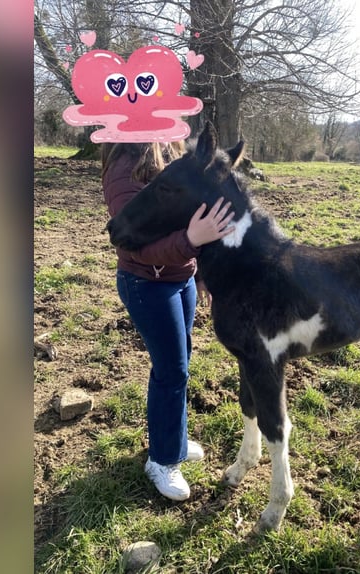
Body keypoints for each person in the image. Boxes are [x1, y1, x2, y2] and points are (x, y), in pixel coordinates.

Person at [100, 141, 234, 501]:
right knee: (171, 369)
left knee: (178, 364)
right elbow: (131, 243)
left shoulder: (171, 153)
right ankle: (161, 460)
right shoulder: (124, 167)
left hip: (180, 277)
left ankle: (172, 439)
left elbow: (194, 210)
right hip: (147, 283)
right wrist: (192, 240)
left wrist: (199, 269)